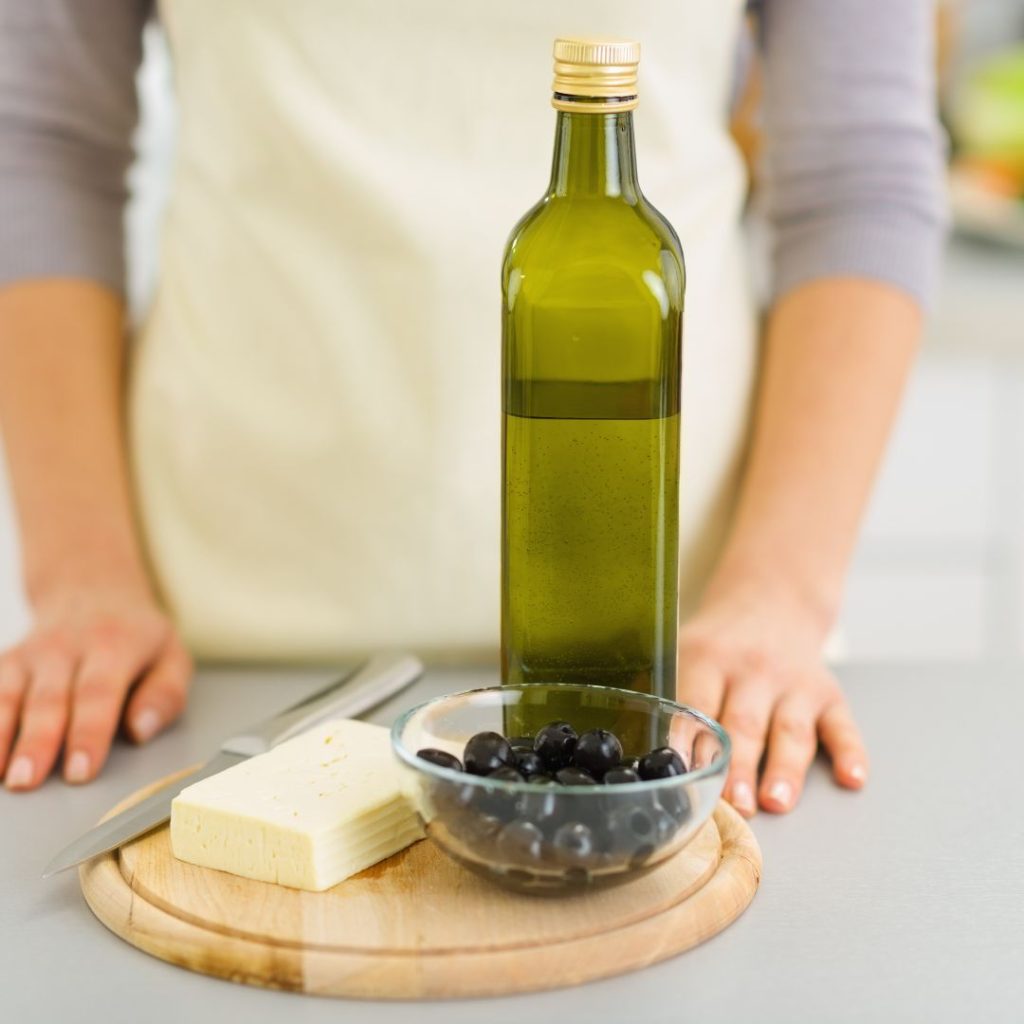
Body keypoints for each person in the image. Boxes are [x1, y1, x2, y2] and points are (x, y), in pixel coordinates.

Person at [0, 0, 946, 812]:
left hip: (676, 673)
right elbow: (41, 145)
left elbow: (857, 173)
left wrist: (780, 596)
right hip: (213, 663)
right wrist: (84, 579)